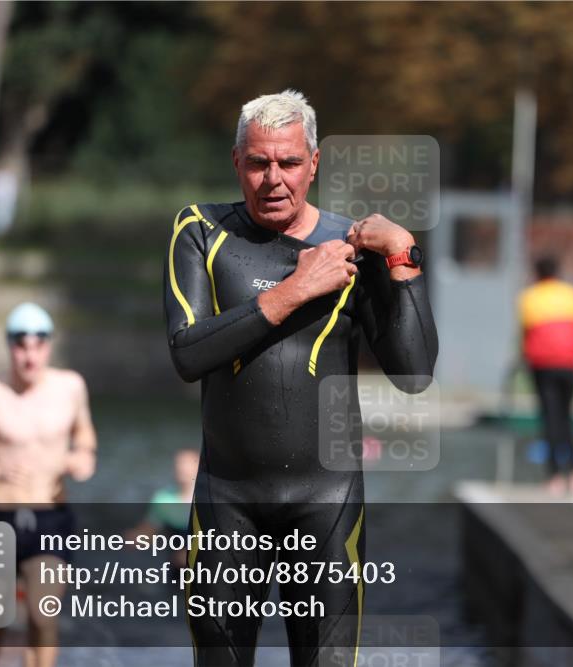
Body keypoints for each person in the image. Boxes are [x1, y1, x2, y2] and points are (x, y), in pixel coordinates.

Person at [164, 89, 438, 666]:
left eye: (288, 162)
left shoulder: (352, 248)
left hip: (327, 504)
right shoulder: (201, 232)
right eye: (259, 162)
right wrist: (296, 291)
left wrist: (403, 256)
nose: (273, 179)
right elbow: (189, 355)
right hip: (227, 501)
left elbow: (413, 373)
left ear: (314, 163)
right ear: (237, 162)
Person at [0, 302, 98, 667]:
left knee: (43, 617)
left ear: (49, 345)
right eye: (21, 346)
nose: (29, 356)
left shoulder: (70, 386)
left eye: (37, 345)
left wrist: (81, 459)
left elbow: (86, 439)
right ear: (10, 346)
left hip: (50, 519)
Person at [518, 255, 573, 495]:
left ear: (537, 272)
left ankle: (553, 477)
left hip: (542, 366)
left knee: (549, 418)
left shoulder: (529, 297)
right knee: (567, 417)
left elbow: (525, 332)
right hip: (569, 364)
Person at [126, 449, 199, 570]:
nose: (182, 468)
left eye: (187, 464)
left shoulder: (209, 498)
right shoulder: (164, 498)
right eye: (179, 464)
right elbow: (149, 531)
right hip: (175, 565)